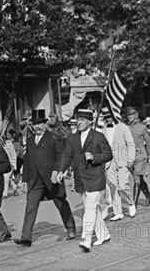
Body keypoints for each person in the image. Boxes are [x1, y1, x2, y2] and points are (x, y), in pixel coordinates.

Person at [13, 110, 76, 247]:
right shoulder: (29, 140)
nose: (37, 127)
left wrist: (58, 171)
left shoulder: (54, 138)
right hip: (35, 179)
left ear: (45, 123)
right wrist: (24, 179)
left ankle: (71, 229)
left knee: (60, 202)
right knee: (30, 206)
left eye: (40, 124)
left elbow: (61, 157)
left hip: (52, 178)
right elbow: (27, 160)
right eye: (34, 124)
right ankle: (26, 237)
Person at [56, 108, 113, 253]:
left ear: (89, 122)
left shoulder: (98, 137)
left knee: (89, 208)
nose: (79, 123)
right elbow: (67, 155)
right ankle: (104, 234)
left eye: (82, 120)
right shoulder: (73, 137)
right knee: (92, 207)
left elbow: (108, 154)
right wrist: (60, 170)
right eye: (78, 120)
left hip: (95, 177)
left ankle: (86, 240)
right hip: (80, 179)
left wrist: (94, 158)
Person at [101, 106, 136, 221]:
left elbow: (130, 144)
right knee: (113, 186)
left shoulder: (123, 127)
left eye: (109, 117)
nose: (108, 120)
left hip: (123, 160)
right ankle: (118, 212)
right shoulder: (104, 130)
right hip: (109, 161)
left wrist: (131, 159)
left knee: (122, 185)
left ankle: (130, 203)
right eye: (106, 118)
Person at [126, 107, 150, 206]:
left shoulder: (142, 127)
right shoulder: (126, 127)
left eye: (132, 114)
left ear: (136, 115)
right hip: (130, 156)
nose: (130, 116)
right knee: (139, 178)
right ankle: (148, 197)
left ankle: (134, 203)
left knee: (136, 178)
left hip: (140, 155)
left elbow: (149, 141)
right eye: (128, 115)